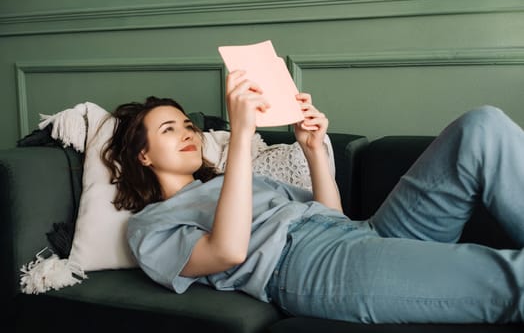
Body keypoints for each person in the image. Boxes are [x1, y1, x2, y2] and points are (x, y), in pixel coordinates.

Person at [102, 69, 524, 324]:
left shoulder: (241, 182)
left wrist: (312, 149)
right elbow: (228, 251)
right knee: (512, 278)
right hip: (306, 267)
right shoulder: (150, 225)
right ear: (142, 154)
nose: (187, 133)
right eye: (168, 129)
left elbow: (332, 216)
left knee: (482, 127)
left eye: (187, 125)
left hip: (361, 232)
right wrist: (244, 132)